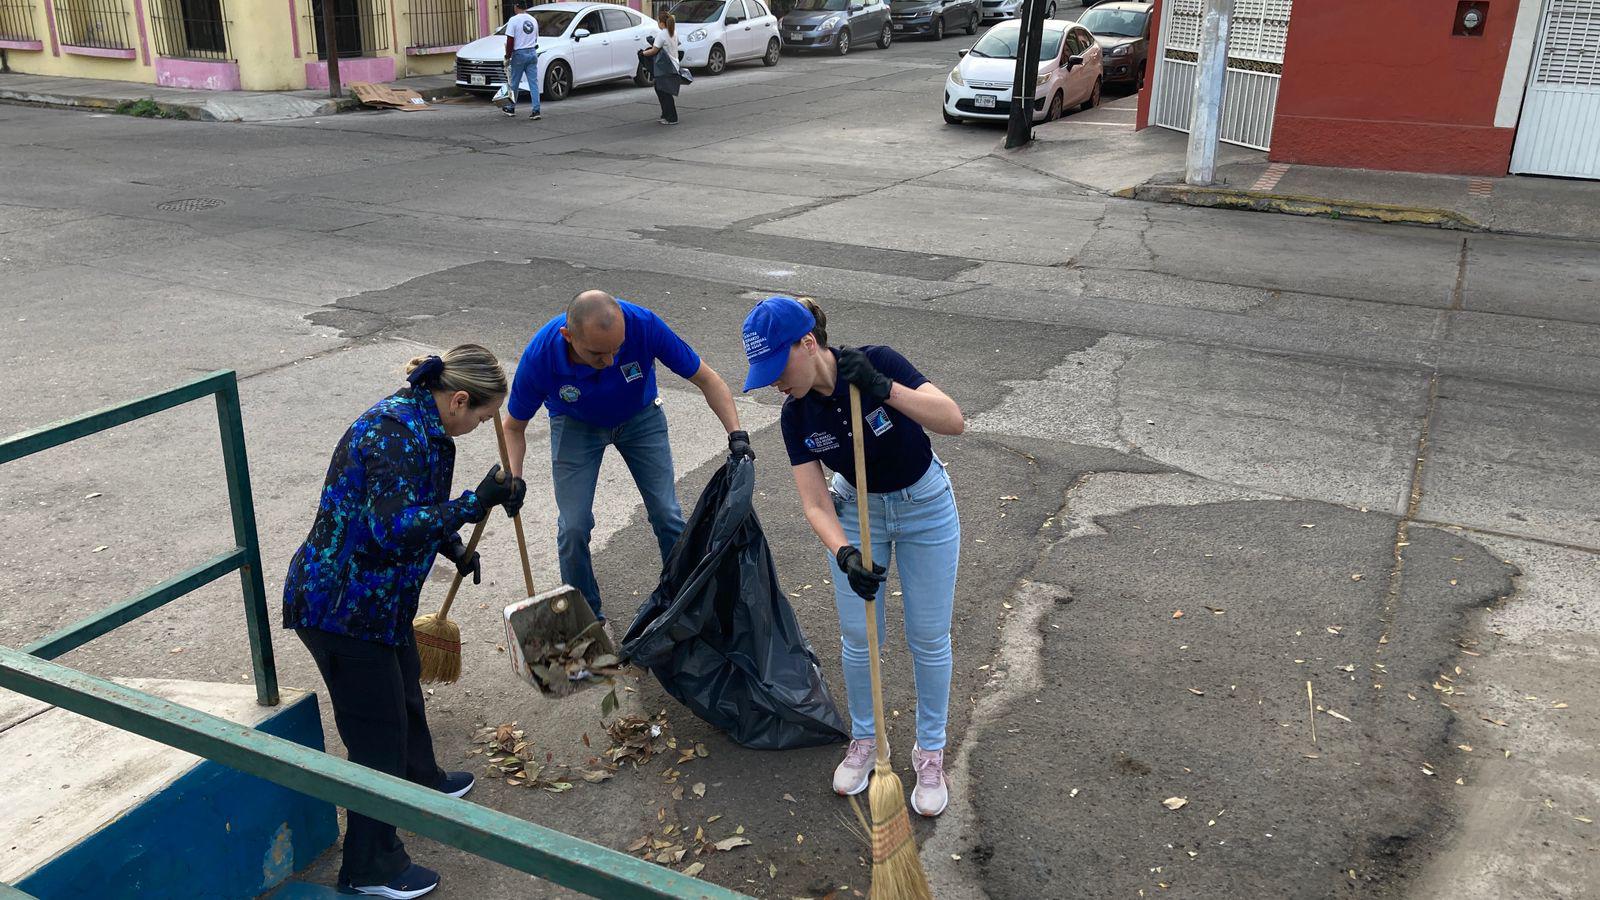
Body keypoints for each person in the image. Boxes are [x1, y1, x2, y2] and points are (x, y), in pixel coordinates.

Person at [282, 345, 526, 899]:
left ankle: (419, 780)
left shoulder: (426, 424)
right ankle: (371, 866)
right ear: (458, 399)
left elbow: (416, 505)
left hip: (380, 602)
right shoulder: (393, 432)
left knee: (405, 686)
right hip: (340, 606)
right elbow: (391, 527)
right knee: (375, 736)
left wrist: (454, 547)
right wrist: (472, 503)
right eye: (482, 418)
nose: (480, 427)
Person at [740, 296, 965, 818]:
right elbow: (815, 502)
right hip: (855, 513)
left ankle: (929, 752)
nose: (774, 382)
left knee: (928, 637)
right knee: (860, 637)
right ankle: (866, 741)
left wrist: (886, 389)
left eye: (778, 367)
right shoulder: (796, 414)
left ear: (808, 343)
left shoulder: (878, 361)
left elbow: (953, 421)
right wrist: (844, 553)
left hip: (924, 505)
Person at [501, 290, 749, 622]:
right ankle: (585, 617)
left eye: (617, 349)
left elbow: (706, 378)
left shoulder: (643, 325)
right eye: (598, 354)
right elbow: (513, 427)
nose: (611, 362)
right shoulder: (541, 355)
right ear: (568, 336)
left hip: (640, 418)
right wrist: (514, 478)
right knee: (572, 527)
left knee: (667, 513)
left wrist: (736, 434)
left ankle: (686, 604)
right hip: (576, 423)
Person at [501, 0, 542, 120]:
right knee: (533, 83)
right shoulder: (533, 20)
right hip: (532, 52)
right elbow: (535, 38)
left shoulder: (513, 20)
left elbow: (510, 41)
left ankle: (511, 107)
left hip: (519, 54)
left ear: (516, 7)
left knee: (514, 83)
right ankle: (536, 110)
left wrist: (507, 56)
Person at [640, 12, 681, 125]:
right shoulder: (674, 32)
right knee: (663, 91)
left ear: (662, 23)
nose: (657, 23)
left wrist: (643, 53)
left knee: (664, 92)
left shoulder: (662, 34)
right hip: (673, 65)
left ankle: (672, 118)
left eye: (658, 21)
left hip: (665, 68)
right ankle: (666, 115)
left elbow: (654, 50)